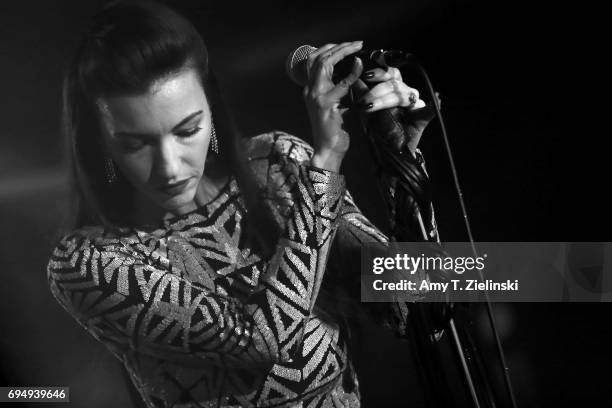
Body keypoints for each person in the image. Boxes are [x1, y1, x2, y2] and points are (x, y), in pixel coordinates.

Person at [47, 1, 438, 406]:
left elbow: (415, 303)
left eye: (188, 130)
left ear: (211, 113)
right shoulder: (89, 262)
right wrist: (324, 168)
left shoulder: (277, 164)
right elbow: (263, 341)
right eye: (136, 143)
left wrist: (399, 157)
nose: (168, 166)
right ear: (103, 141)